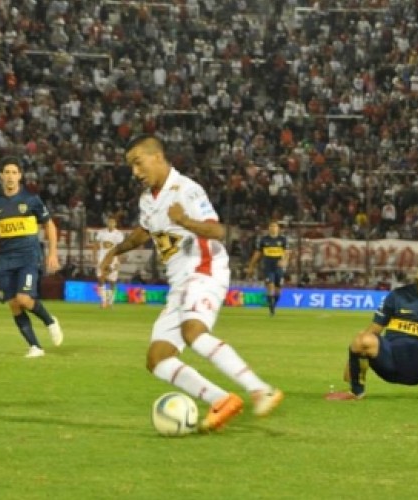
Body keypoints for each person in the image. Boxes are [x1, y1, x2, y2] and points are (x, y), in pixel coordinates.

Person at [99, 135, 284, 432]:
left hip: (204, 268)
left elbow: (218, 230)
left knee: (193, 331)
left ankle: (261, 389)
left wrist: (185, 221)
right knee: (157, 358)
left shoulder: (186, 190)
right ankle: (221, 399)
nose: (134, 172)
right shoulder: (148, 199)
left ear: (157, 157)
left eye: (138, 163)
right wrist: (114, 251)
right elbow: (143, 232)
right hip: (179, 282)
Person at [325, 250, 418, 406]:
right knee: (362, 337)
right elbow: (373, 331)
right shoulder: (398, 296)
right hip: (389, 360)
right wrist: (350, 364)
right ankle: (355, 391)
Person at [0, 157, 63, 358]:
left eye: (14, 172)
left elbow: (49, 225)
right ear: (1, 176)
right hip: (5, 258)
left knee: (24, 298)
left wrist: (52, 252)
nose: (10, 176)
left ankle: (50, 321)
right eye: (6, 172)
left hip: (28, 256)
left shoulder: (31, 200)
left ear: (20, 176)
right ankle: (35, 346)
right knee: (14, 304)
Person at [247, 220, 290, 316]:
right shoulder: (264, 240)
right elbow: (257, 253)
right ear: (268, 228)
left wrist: (284, 261)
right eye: (271, 226)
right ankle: (271, 310)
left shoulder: (283, 239)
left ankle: (273, 304)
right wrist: (251, 266)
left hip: (279, 266)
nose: (273, 228)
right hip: (268, 266)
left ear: (278, 229)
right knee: (270, 285)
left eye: (275, 226)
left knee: (278, 288)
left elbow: (287, 253)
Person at [93, 215, 125, 308]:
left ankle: (110, 302)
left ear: (115, 224)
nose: (111, 224)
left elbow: (121, 249)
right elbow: (95, 245)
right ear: (107, 223)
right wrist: (94, 257)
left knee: (112, 281)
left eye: (113, 222)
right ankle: (103, 301)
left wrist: (119, 261)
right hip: (102, 259)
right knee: (101, 279)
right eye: (109, 222)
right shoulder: (101, 233)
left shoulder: (119, 234)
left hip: (113, 259)